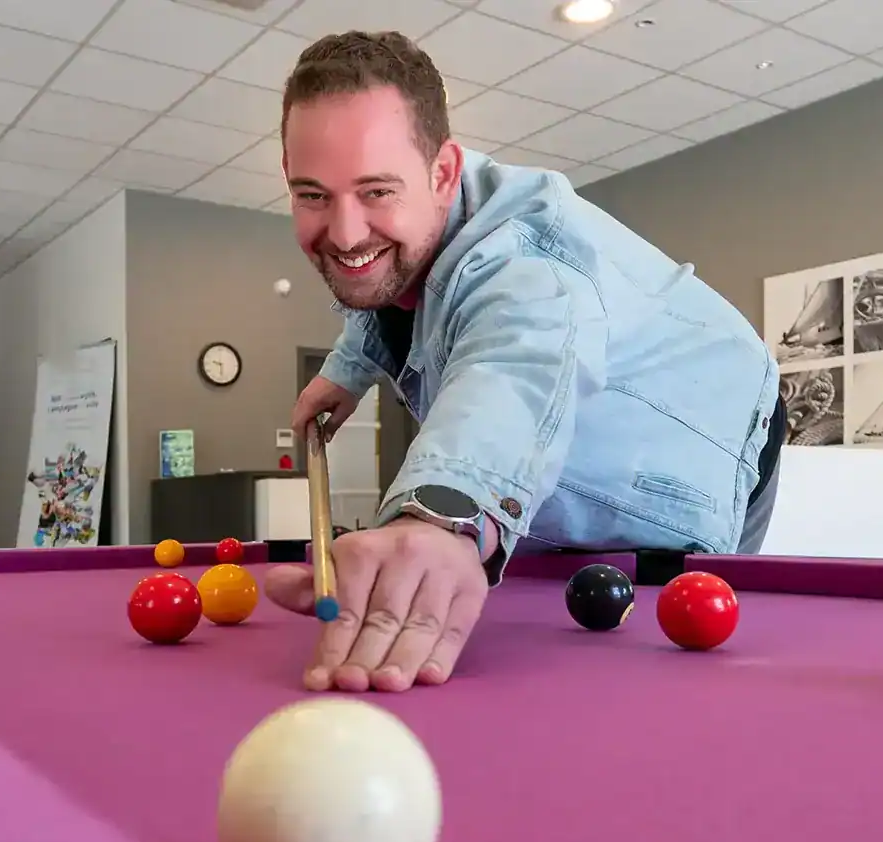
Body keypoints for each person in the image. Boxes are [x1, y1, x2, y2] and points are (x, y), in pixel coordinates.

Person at [264, 30, 785, 692]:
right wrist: (350, 365)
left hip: (704, 433)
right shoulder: (416, 209)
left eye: (375, 192)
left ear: (442, 173)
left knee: (666, 692)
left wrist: (441, 512)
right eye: (314, 195)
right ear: (288, 174)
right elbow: (388, 278)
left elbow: (517, 359)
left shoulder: (527, 259)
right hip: (570, 446)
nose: (343, 231)